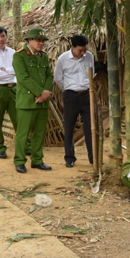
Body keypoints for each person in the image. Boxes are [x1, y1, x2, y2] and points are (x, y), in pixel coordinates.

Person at [0, 27, 31, 159]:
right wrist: (11, 71)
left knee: (19, 119)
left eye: (3, 36)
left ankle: (25, 146)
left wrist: (7, 70)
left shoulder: (13, 53)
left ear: (7, 37)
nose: (0, 39)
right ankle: (0, 148)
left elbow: (21, 70)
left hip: (14, 89)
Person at [12, 27, 54, 174]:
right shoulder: (19, 56)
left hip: (42, 101)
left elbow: (49, 75)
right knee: (23, 134)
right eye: (38, 40)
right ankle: (19, 161)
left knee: (39, 132)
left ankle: (37, 160)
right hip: (27, 101)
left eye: (43, 41)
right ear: (29, 40)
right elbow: (23, 77)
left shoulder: (43, 56)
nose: (41, 43)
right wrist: (40, 91)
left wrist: (45, 93)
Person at [54, 35, 94, 168]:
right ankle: (69, 158)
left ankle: (93, 157)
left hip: (87, 95)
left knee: (91, 127)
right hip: (71, 95)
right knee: (69, 127)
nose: (83, 53)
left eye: (84, 50)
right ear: (72, 47)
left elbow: (92, 74)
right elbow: (58, 78)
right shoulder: (63, 59)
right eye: (80, 50)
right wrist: (69, 89)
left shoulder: (89, 56)